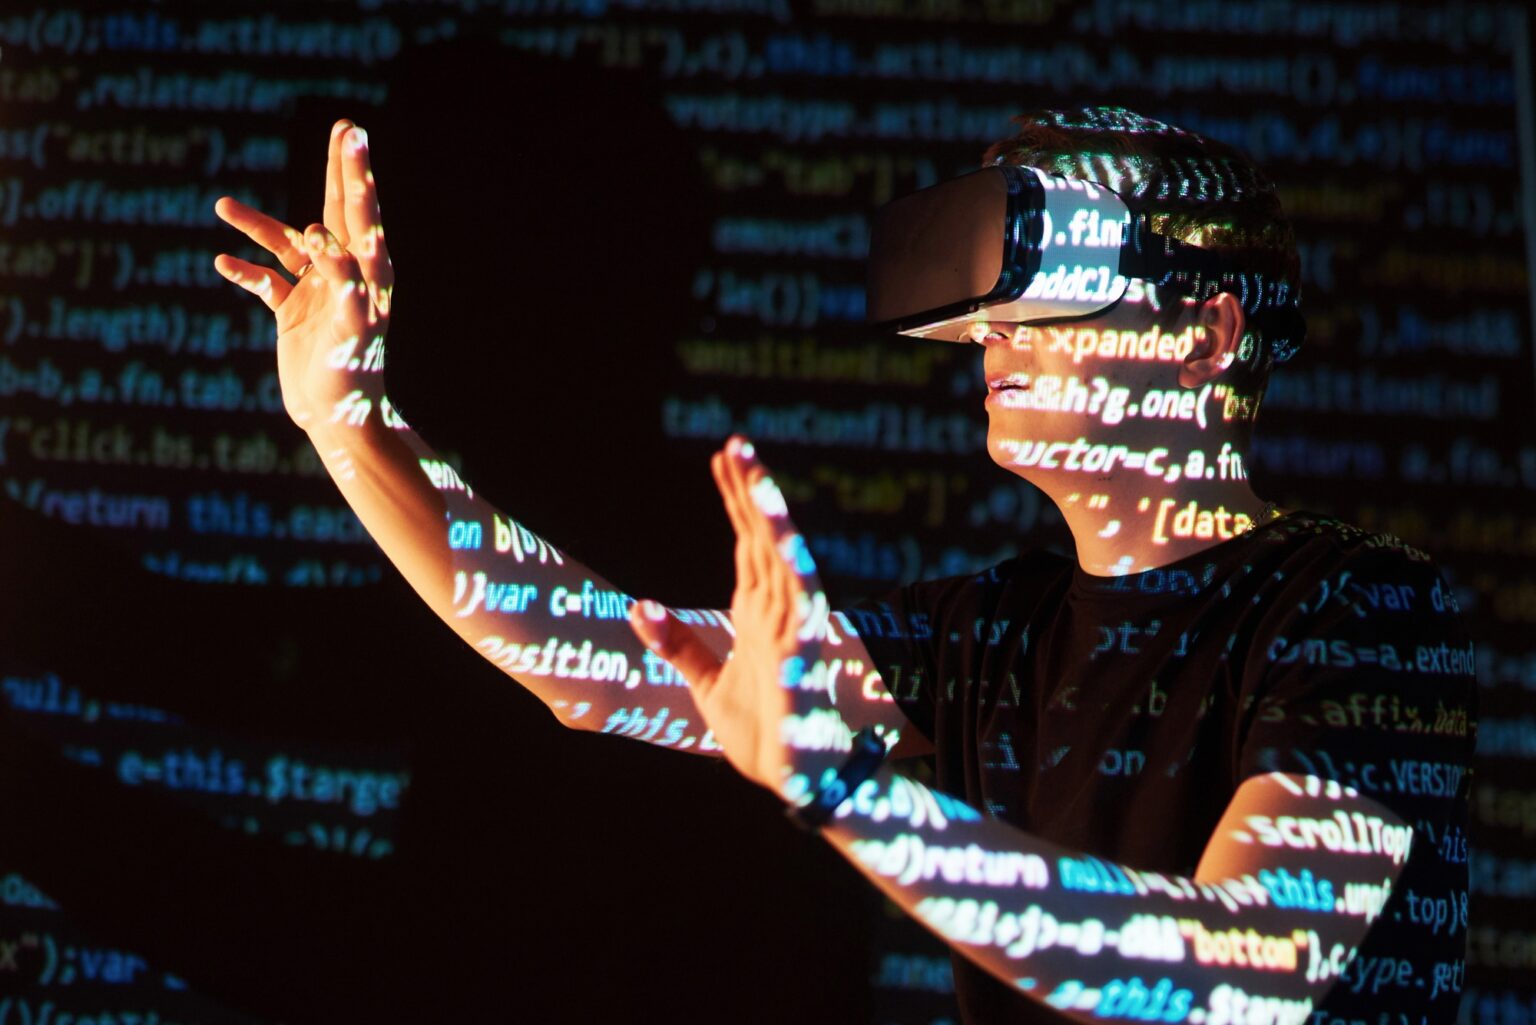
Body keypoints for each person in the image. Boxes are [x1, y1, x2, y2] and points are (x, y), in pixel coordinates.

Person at [214, 106, 1474, 1024]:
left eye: (1060, 272)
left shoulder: (1369, 609)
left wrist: (860, 797)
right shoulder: (996, 630)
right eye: (995, 285)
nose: (994, 326)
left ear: (1204, 335)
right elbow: (595, 663)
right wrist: (352, 425)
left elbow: (1240, 974)